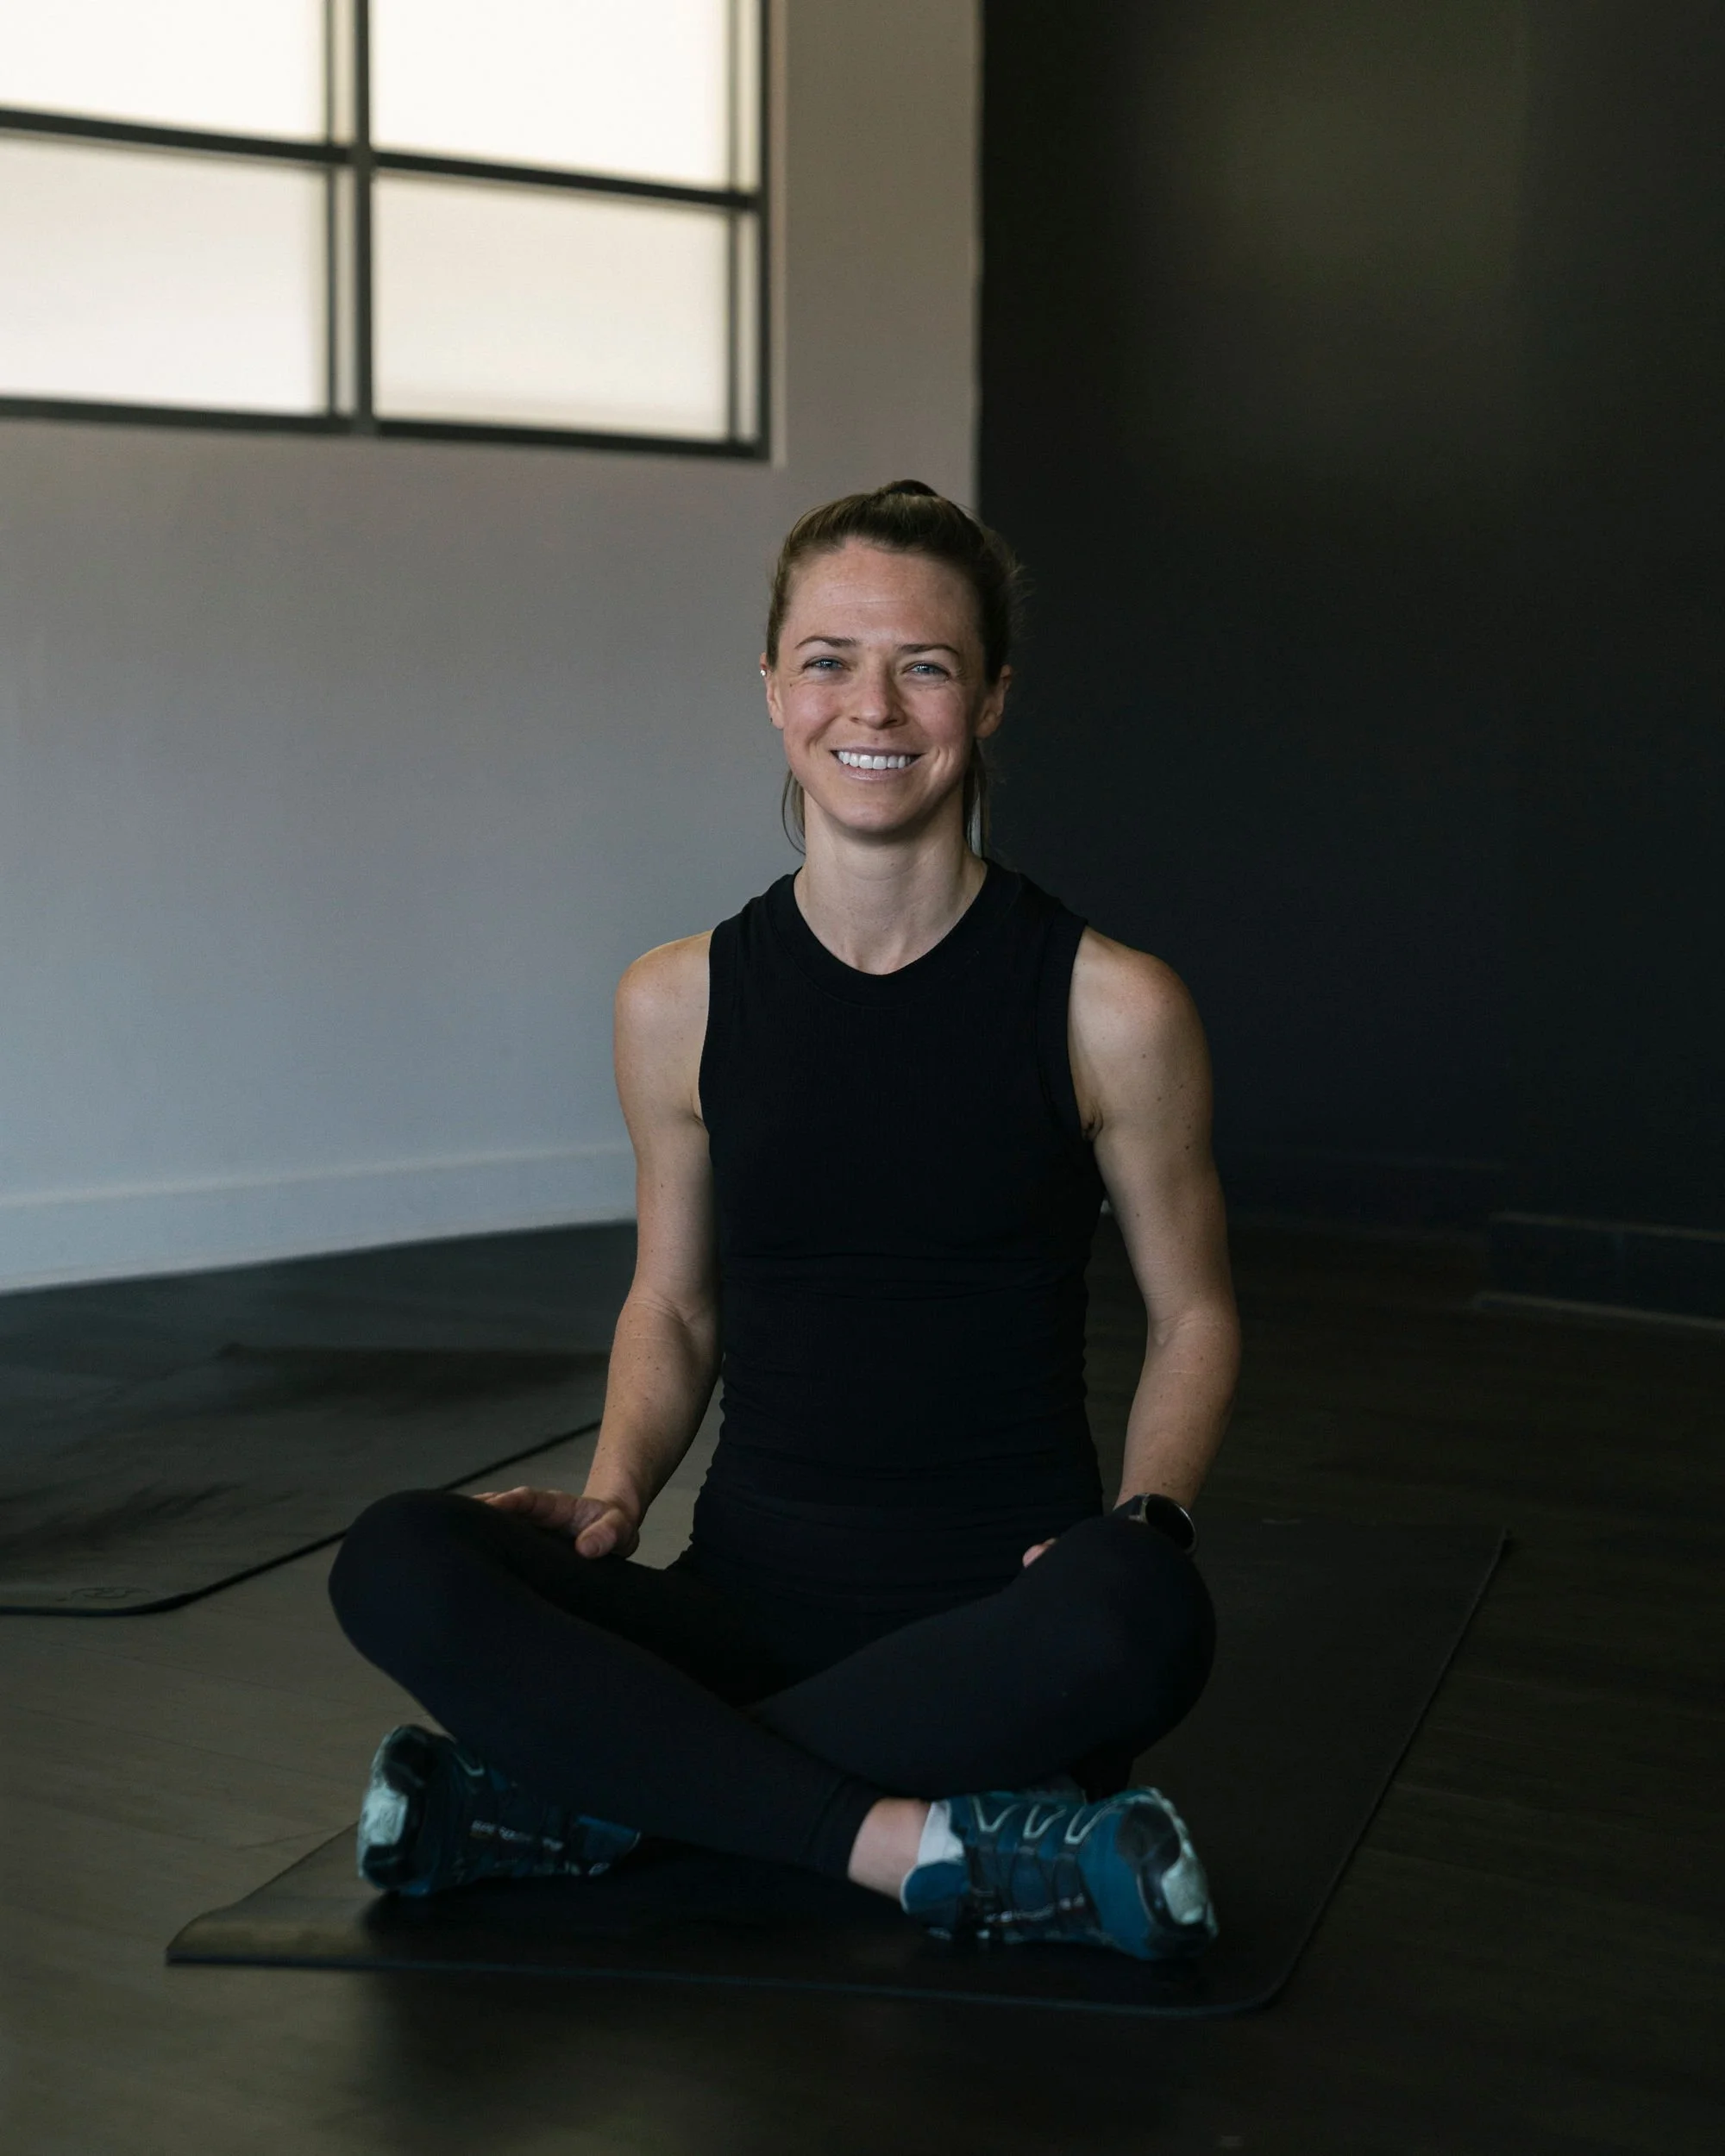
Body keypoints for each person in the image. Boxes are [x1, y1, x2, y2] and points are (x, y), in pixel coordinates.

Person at [329, 481, 1241, 1961]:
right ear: (772, 687)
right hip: (738, 1605)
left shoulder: (1112, 1005)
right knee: (394, 1556)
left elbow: (1195, 1311)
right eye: (827, 659)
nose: (870, 705)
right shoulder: (674, 999)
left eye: (925, 664)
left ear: (991, 697)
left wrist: (1140, 1518)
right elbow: (675, 1305)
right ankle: (906, 1844)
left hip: (998, 1629)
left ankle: (600, 1798)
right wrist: (616, 1493)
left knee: (1144, 1610)